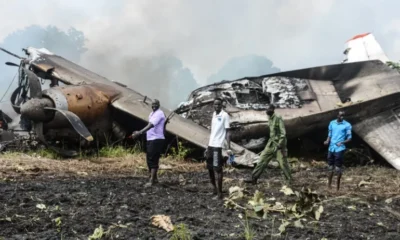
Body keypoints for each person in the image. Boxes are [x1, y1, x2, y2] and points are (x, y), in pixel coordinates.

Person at [245, 104, 292, 184]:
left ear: (272, 109)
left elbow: (283, 133)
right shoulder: (269, 118)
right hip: (271, 144)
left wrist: (280, 144)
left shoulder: (278, 117)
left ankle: (289, 181)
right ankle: (254, 178)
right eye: (265, 109)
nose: (266, 111)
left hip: (279, 145)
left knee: (283, 163)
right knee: (262, 160)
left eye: (268, 109)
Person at [131, 99, 166, 187]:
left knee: (153, 159)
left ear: (159, 105)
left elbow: (151, 125)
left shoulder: (159, 113)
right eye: (153, 104)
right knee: (149, 158)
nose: (154, 106)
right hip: (151, 139)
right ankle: (154, 178)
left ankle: (151, 180)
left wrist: (140, 132)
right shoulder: (151, 114)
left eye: (156, 104)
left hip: (156, 139)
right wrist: (139, 132)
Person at [204, 98, 232, 200]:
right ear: (213, 105)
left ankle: (220, 194)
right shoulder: (214, 115)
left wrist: (228, 147)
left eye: (219, 105)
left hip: (218, 146)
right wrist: (207, 146)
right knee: (210, 168)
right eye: (215, 105)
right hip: (211, 145)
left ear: (222, 105)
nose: (217, 106)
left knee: (218, 169)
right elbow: (213, 132)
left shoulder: (225, 115)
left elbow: (228, 131)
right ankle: (214, 189)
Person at [323, 110, 352, 191]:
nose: (342, 117)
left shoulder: (347, 125)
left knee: (338, 168)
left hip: (339, 148)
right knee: (330, 167)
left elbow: (349, 138)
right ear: (337, 115)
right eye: (340, 115)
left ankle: (337, 188)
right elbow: (330, 134)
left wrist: (342, 142)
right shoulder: (332, 123)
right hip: (331, 148)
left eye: (343, 116)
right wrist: (327, 140)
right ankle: (329, 186)